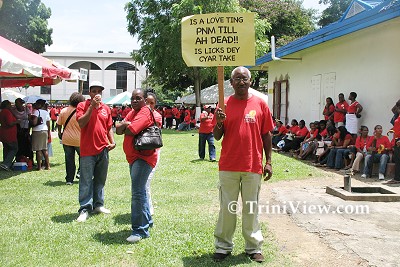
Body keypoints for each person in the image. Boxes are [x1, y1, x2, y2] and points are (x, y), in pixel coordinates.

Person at [212, 66, 273, 263]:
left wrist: (269, 161)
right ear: (231, 83)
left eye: (244, 78)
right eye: (237, 78)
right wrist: (219, 122)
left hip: (252, 164)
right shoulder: (224, 104)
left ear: (250, 81)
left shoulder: (261, 104)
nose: (241, 81)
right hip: (229, 164)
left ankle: (253, 247)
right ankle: (223, 246)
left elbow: (267, 134)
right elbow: (217, 136)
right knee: (227, 207)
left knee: (251, 208)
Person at [116, 89, 162, 243]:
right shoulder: (132, 112)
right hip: (134, 157)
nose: (134, 101)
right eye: (133, 98)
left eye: (138, 98)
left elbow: (131, 130)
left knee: (137, 193)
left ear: (144, 100)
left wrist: (125, 125)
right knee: (140, 191)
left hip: (143, 157)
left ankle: (140, 230)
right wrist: (125, 124)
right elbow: (118, 129)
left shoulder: (144, 112)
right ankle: (147, 222)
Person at [75, 81, 116, 222]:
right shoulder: (82, 106)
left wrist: (112, 141)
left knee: (100, 179)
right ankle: (85, 208)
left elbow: (109, 127)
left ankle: (98, 204)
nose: (96, 94)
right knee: (86, 180)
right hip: (87, 150)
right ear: (89, 92)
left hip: (103, 149)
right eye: (94, 91)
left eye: (99, 91)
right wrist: (91, 107)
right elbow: (81, 123)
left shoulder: (106, 108)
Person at [57, 92, 85, 185]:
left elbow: (59, 124)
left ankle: (69, 179)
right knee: (83, 157)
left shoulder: (64, 111)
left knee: (69, 159)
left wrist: (59, 133)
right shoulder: (82, 111)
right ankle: (80, 172)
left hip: (67, 139)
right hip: (79, 139)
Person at [144, 92, 162, 215]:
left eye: (152, 103)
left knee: (146, 182)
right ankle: (144, 207)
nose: (149, 105)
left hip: (153, 152)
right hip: (139, 152)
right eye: (147, 102)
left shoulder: (157, 116)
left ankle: (148, 209)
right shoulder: (137, 113)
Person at [30, 99, 51, 170]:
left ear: (39, 105)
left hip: (37, 131)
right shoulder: (46, 112)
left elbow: (34, 122)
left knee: (38, 149)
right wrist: (48, 133)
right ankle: (48, 166)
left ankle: (39, 167)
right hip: (45, 130)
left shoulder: (36, 112)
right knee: (45, 149)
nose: (35, 105)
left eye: (36, 104)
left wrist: (31, 120)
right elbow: (48, 123)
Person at [0, 100, 19, 171]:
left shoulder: (2, 112)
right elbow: (10, 123)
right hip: (9, 133)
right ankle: (6, 163)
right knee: (14, 148)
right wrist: (17, 121)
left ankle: (5, 163)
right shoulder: (7, 112)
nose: (11, 106)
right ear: (7, 105)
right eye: (10, 104)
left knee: (6, 149)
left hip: (3, 133)